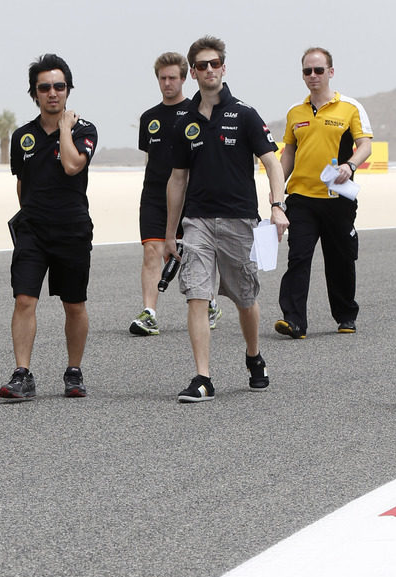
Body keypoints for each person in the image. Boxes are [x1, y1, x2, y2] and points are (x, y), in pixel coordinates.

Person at [164, 35, 288, 402]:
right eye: (201, 65)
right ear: (193, 73)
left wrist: (278, 205)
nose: (209, 70)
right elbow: (177, 179)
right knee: (196, 295)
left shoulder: (245, 114)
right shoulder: (184, 120)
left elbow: (272, 163)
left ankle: (254, 356)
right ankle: (203, 377)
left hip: (239, 221)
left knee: (245, 297)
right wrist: (170, 233)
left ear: (223, 67)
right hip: (197, 222)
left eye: (214, 63)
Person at [0, 54, 96, 401]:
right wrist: (28, 215)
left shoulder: (84, 130)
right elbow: (22, 184)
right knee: (24, 299)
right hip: (33, 231)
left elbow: (72, 166)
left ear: (68, 90)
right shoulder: (22, 136)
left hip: (72, 230)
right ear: (34, 93)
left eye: (59, 86)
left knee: (73, 304)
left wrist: (66, 129)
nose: (52, 93)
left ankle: (74, 371)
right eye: (44, 88)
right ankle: (22, 374)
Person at [274, 48, 372, 340]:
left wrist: (350, 165)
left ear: (331, 71)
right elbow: (288, 152)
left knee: (340, 258)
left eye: (319, 70)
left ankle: (345, 315)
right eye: (307, 71)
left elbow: (365, 145)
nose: (313, 76)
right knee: (299, 258)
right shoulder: (295, 112)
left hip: (337, 198)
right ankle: (294, 321)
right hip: (302, 198)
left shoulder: (350, 108)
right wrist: (277, 191)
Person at [130, 53, 191, 335]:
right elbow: (149, 158)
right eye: (162, 78)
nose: (167, 83)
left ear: (183, 78)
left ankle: (209, 302)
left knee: (189, 255)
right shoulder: (149, 118)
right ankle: (149, 313)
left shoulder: (196, 113)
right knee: (152, 251)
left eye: (172, 78)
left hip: (189, 195)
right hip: (154, 196)